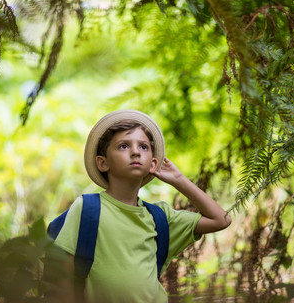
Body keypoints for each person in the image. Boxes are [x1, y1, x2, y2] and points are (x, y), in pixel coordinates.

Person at [53, 109, 231, 303]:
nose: (136, 151)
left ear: (153, 164)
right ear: (103, 163)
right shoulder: (87, 208)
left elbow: (221, 220)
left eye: (144, 147)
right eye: (123, 146)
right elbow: (64, 276)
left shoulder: (160, 217)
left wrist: (179, 179)